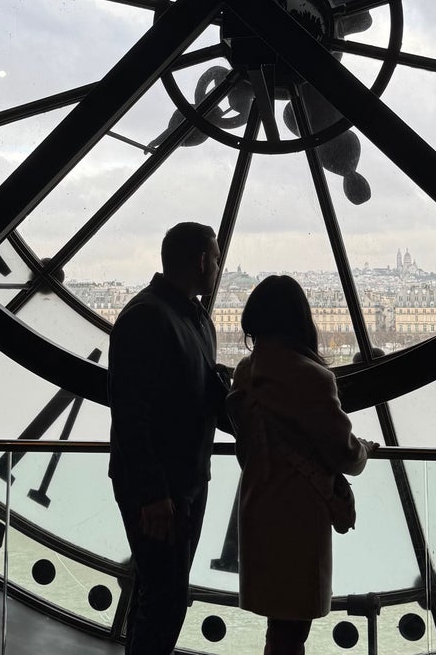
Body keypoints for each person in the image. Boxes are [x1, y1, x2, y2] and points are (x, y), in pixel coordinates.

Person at [228, 275, 377, 655]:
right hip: (299, 512)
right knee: (293, 625)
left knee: (280, 627)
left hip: (258, 503)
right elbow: (344, 454)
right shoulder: (312, 377)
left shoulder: (246, 372)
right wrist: (364, 451)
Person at [109, 222, 228, 655]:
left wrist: (150, 491)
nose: (218, 267)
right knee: (165, 598)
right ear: (200, 261)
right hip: (177, 485)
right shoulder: (189, 320)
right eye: (216, 259)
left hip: (167, 487)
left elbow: (131, 412)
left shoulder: (149, 315)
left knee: (159, 595)